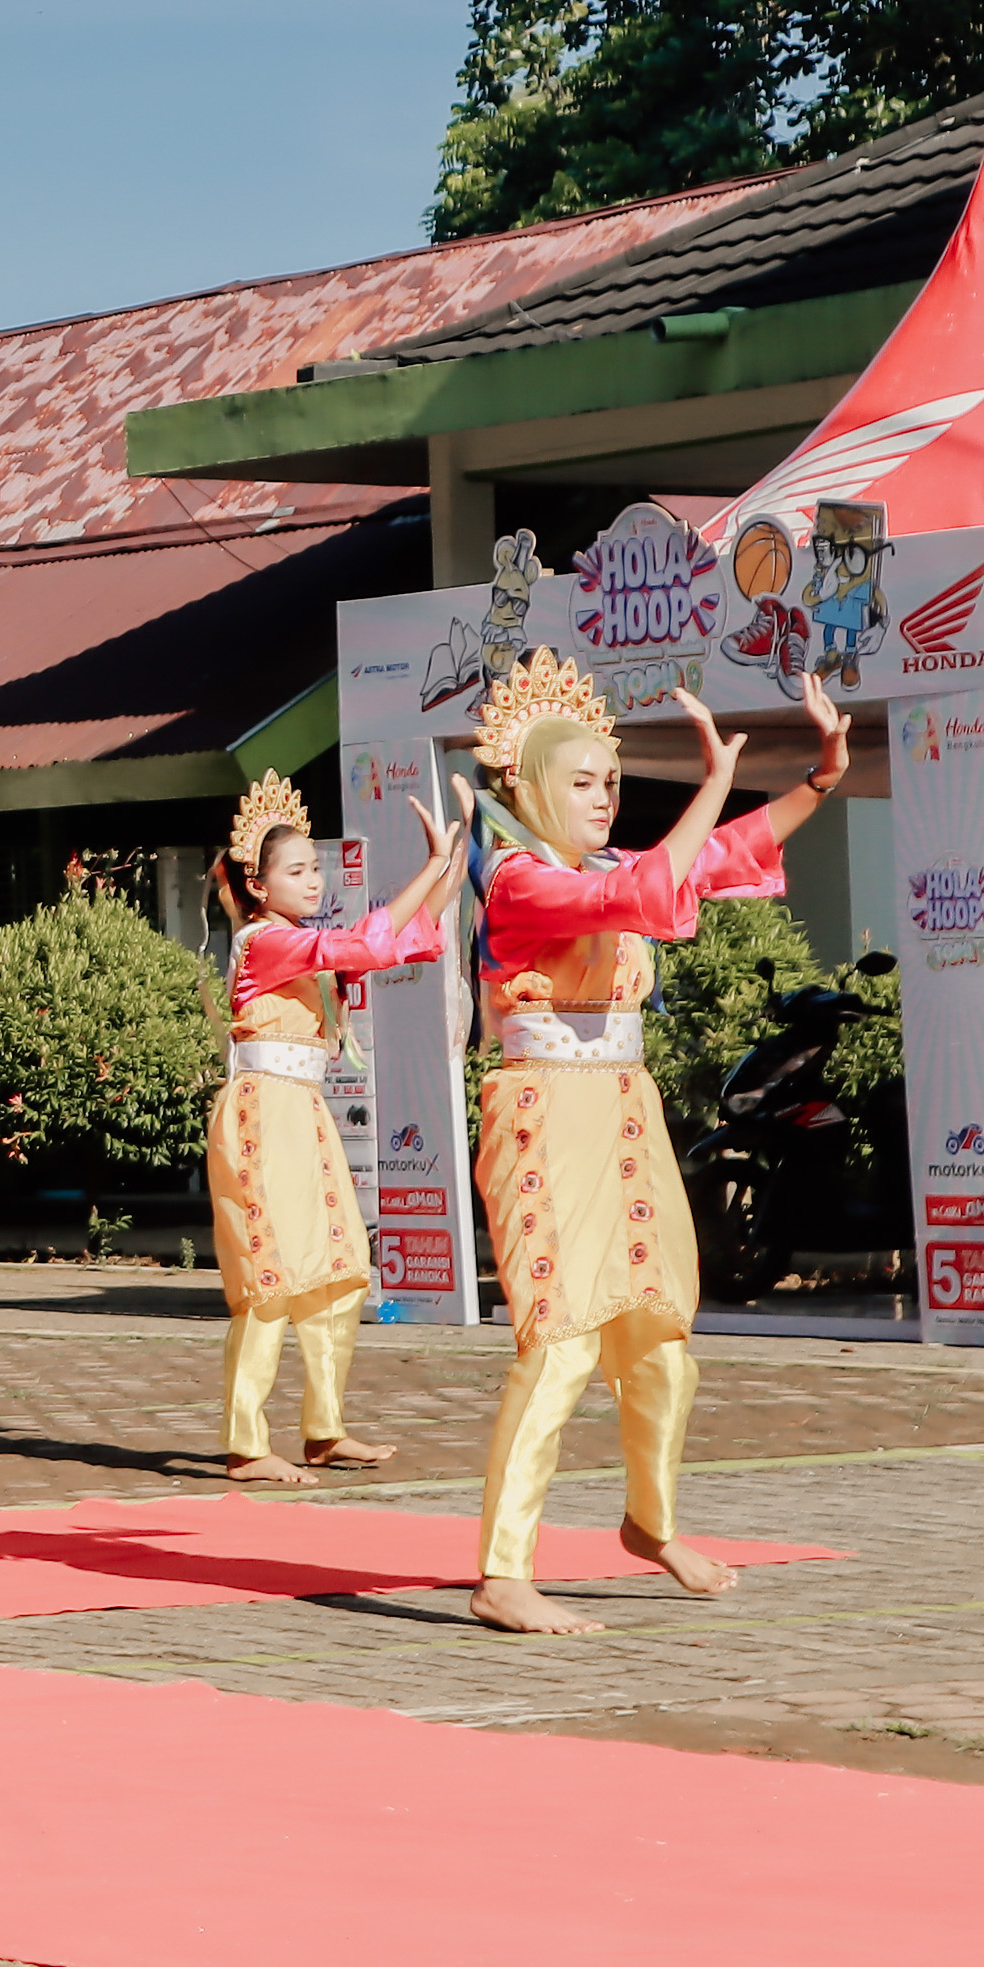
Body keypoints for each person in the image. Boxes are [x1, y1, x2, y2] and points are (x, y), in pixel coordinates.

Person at [462, 648, 843, 1637]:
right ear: (535, 784)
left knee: (660, 1334)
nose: (601, 796)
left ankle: (650, 1520)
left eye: (611, 782)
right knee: (561, 1337)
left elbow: (717, 859)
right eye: (581, 781)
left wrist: (819, 778)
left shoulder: (607, 866)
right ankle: (504, 1569)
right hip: (543, 1109)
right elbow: (623, 902)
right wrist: (711, 782)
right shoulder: (518, 881)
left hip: (620, 1107)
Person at [205, 769, 472, 1488]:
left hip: (304, 1112)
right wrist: (429, 867)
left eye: (315, 867)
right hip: (264, 1112)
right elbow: (366, 942)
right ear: (259, 886)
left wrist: (449, 864)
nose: (314, 880)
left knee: (340, 1272)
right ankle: (245, 1444)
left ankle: (324, 1431)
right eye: (297, 870)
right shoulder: (264, 944)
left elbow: (401, 942)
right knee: (272, 1277)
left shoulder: (300, 942)